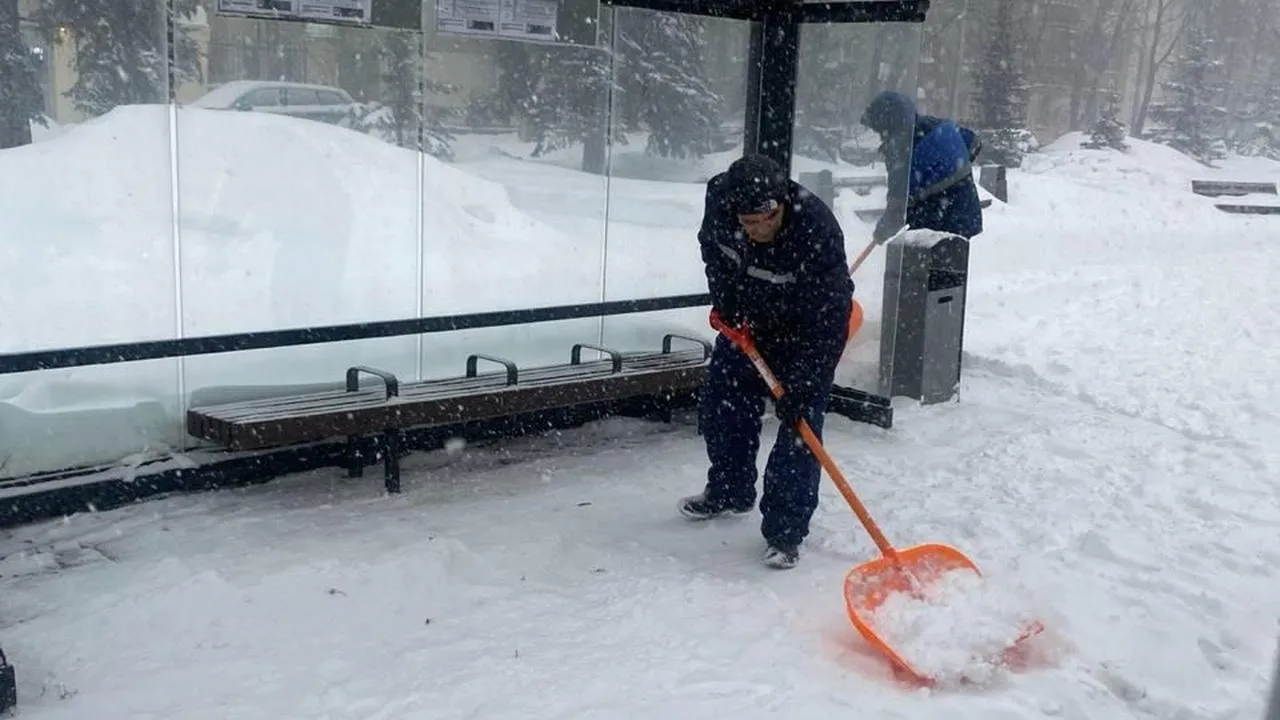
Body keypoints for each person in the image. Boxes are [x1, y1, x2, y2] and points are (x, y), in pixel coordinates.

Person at [679, 154, 854, 570]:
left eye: (764, 219)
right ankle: (730, 490)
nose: (755, 229)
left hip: (803, 335)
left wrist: (804, 383)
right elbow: (713, 251)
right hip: (749, 328)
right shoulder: (721, 203)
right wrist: (727, 302)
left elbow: (831, 318)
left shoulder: (816, 228)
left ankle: (785, 533)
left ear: (781, 203)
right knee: (722, 408)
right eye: (747, 221)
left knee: (800, 432)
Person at [859, 90, 984, 243]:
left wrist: (881, 233)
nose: (879, 136)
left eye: (878, 130)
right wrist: (954, 173)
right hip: (966, 209)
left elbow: (897, 205)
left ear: (888, 124)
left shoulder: (902, 151)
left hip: (939, 219)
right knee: (952, 261)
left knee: (929, 262)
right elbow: (974, 143)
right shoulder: (931, 124)